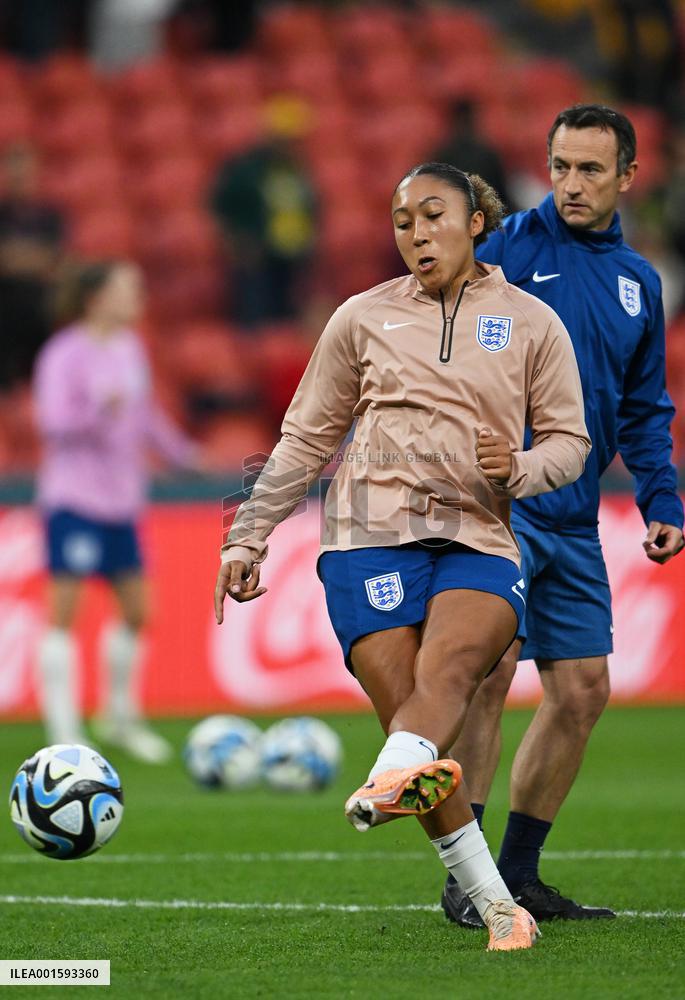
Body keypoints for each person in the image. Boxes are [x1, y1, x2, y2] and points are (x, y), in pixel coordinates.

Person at [215, 162, 591, 951]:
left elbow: (570, 443)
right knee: (414, 735)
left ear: (477, 221)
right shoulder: (359, 317)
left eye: (431, 215)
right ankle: (498, 909)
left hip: (478, 535)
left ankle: (394, 780)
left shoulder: (531, 323)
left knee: (453, 673)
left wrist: (518, 468)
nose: (414, 232)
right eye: (400, 221)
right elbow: (305, 437)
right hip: (365, 535)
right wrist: (248, 533)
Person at [441, 104, 684, 928]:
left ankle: (516, 873)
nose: (570, 184)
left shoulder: (637, 284)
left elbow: (645, 408)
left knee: (581, 691)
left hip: (576, 518)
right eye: (559, 166)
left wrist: (660, 497)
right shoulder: (501, 253)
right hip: (496, 508)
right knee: (485, 677)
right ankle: (466, 879)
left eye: (588, 169)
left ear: (626, 176)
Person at [33, 260, 202, 764]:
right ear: (96, 297)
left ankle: (119, 715)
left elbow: (144, 413)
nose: (137, 298)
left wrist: (180, 455)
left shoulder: (130, 349)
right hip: (75, 500)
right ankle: (63, 728)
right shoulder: (63, 354)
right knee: (63, 614)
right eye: (127, 289)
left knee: (136, 611)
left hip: (121, 501)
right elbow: (51, 422)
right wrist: (96, 409)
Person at [209, 96, 317, 327]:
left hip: (292, 254)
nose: (293, 146)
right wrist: (238, 240)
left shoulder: (296, 169)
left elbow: (309, 207)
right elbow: (222, 205)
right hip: (258, 256)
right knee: (258, 315)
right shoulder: (246, 169)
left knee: (288, 317)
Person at [0, 142, 65, 391]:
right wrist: (37, 258)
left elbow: (57, 262)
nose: (21, 179)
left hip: (41, 311)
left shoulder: (51, 216)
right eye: (14, 173)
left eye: (25, 173)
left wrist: (14, 256)